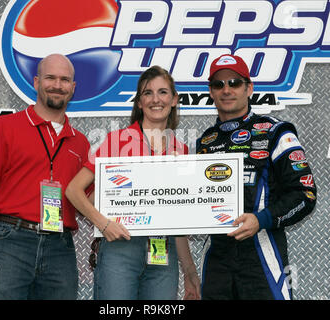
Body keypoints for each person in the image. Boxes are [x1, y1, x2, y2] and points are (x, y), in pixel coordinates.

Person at [66, 65, 201, 300]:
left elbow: (179, 222)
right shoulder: (117, 141)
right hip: (121, 248)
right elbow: (74, 190)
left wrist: (189, 271)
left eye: (163, 92)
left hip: (163, 252)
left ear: (174, 99)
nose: (155, 99)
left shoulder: (181, 150)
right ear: (139, 102)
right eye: (147, 93)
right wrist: (104, 224)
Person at [0, 54, 92, 300]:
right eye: (50, 78)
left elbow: (91, 200)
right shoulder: (5, 127)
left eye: (65, 80)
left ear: (73, 87)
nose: (57, 85)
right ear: (36, 82)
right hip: (7, 243)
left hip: (61, 248)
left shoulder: (80, 142)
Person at [196, 54, 317, 300]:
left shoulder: (276, 132)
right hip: (217, 258)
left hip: (262, 252)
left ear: (248, 88)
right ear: (211, 91)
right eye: (219, 84)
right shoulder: (204, 142)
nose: (226, 90)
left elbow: (305, 195)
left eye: (234, 83)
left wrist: (261, 220)